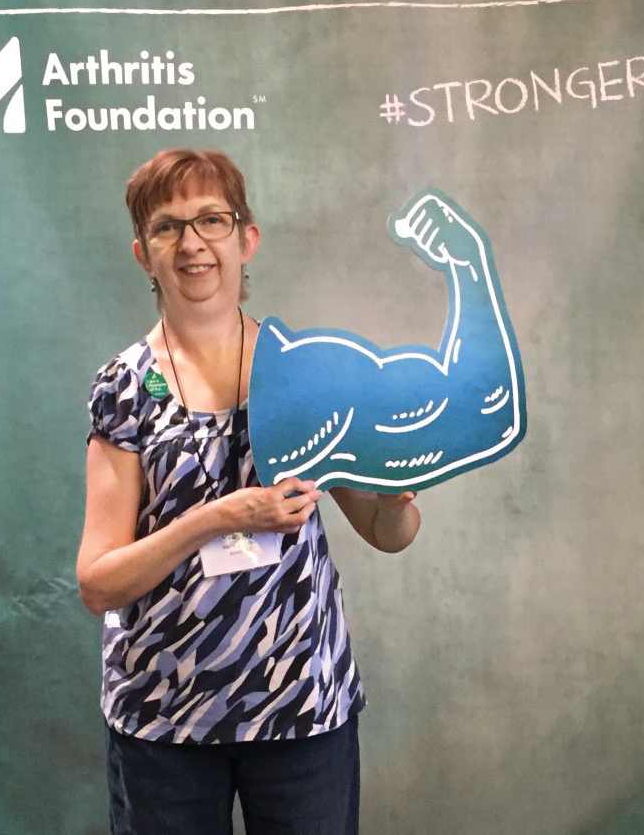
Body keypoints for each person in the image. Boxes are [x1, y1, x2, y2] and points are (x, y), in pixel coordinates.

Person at [77, 148, 421, 835]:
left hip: (301, 706)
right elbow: (98, 582)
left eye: (211, 219)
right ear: (144, 253)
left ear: (246, 237)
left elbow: (386, 536)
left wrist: (396, 497)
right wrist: (217, 517)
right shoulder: (124, 386)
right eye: (169, 226)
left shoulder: (306, 374)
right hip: (165, 719)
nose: (193, 242)